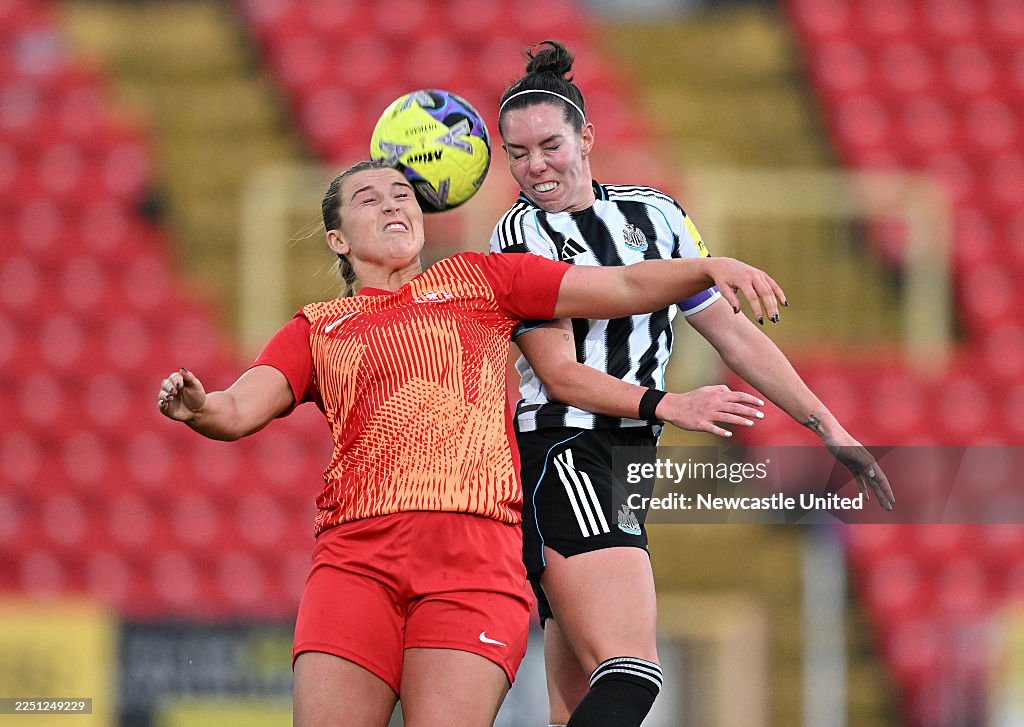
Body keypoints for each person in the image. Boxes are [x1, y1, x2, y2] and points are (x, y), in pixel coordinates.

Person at [156, 160, 787, 727]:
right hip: (355, 560)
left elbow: (622, 287)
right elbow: (237, 409)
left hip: (475, 559)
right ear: (338, 239)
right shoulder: (317, 327)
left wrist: (705, 266)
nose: (394, 205)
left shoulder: (485, 281)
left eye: (403, 194)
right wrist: (199, 407)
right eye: (370, 199)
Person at [489, 41, 896, 727]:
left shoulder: (659, 215)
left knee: (575, 705)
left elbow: (733, 334)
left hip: (624, 463)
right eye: (518, 152)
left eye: (550, 145)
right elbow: (560, 375)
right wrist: (671, 403)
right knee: (633, 672)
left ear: (587, 138)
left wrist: (829, 425)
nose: (535, 166)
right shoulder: (518, 237)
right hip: (565, 453)